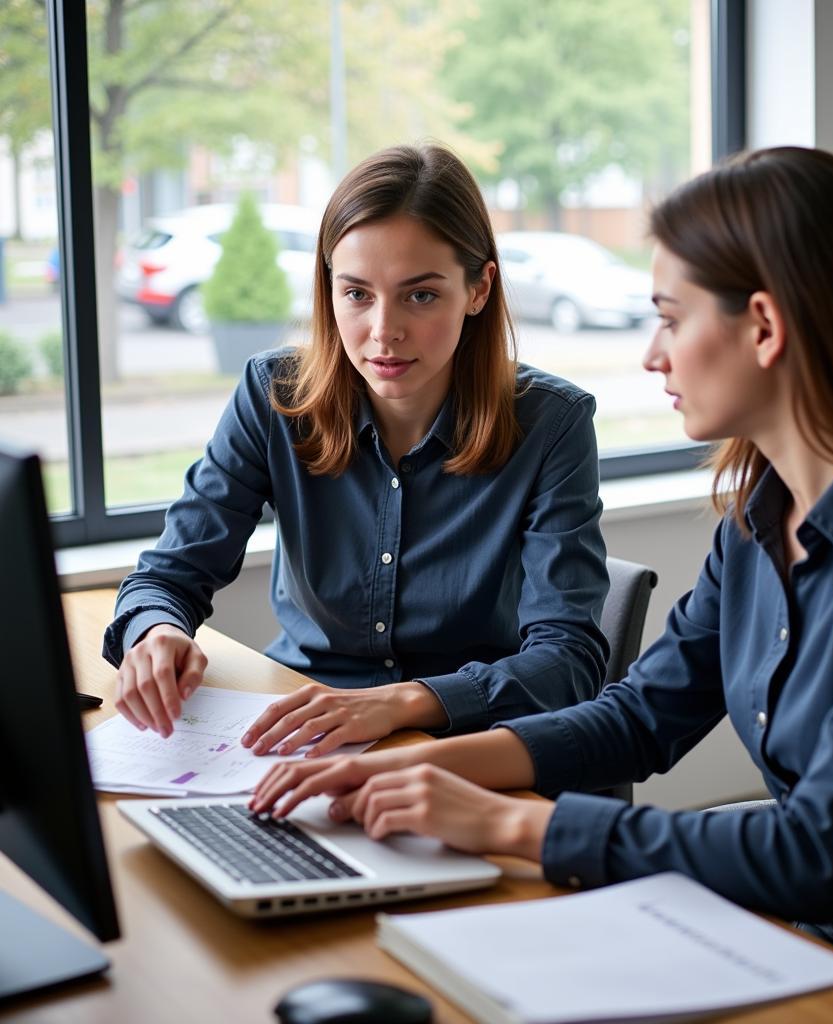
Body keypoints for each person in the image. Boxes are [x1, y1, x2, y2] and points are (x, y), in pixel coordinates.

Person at [250, 147, 833, 1020]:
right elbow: (641, 716)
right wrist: (417, 770)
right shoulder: (761, 513)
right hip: (802, 943)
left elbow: (821, 850)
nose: (653, 355)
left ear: (764, 327)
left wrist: (509, 824)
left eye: (669, 317)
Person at [103, 144, 609, 753]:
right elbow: (170, 574)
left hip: (460, 748)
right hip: (299, 731)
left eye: (420, 295)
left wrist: (398, 704)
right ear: (329, 289)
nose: (383, 331)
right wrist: (156, 632)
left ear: (478, 288)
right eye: (357, 293)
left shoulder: (553, 424)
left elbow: (568, 662)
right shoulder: (275, 396)